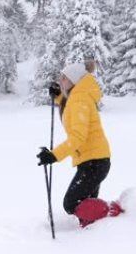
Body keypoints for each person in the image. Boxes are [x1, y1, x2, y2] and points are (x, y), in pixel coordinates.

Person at [37, 63, 123, 227]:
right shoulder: (77, 97)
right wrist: (59, 97)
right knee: (85, 205)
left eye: (64, 78)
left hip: (94, 162)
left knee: (71, 203)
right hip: (94, 160)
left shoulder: (79, 99)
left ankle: (116, 214)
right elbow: (70, 109)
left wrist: (54, 155)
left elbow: (78, 137)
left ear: (74, 80)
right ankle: (93, 232)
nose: (60, 81)